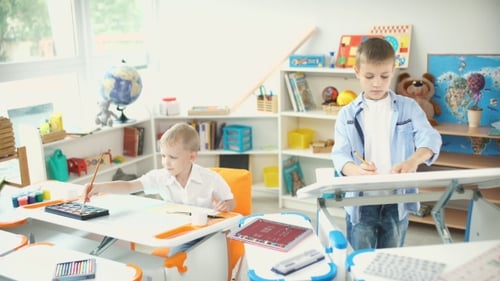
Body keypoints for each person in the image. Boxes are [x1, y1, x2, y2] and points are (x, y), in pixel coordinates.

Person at [331, 38, 442, 250]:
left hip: (396, 200)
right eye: (369, 76)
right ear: (356, 71)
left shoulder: (408, 107)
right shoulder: (346, 114)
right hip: (360, 203)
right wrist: (356, 170)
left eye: (384, 76)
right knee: (361, 261)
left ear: (393, 70)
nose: (376, 83)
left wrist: (413, 160)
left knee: (391, 259)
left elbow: (430, 138)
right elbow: (340, 155)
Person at [84, 122, 235, 255]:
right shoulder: (160, 177)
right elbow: (130, 185)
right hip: (178, 235)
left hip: (207, 235)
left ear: (192, 157)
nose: (166, 163)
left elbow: (231, 202)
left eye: (173, 158)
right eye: (163, 156)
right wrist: (99, 186)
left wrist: (226, 205)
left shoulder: (210, 178)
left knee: (187, 261)